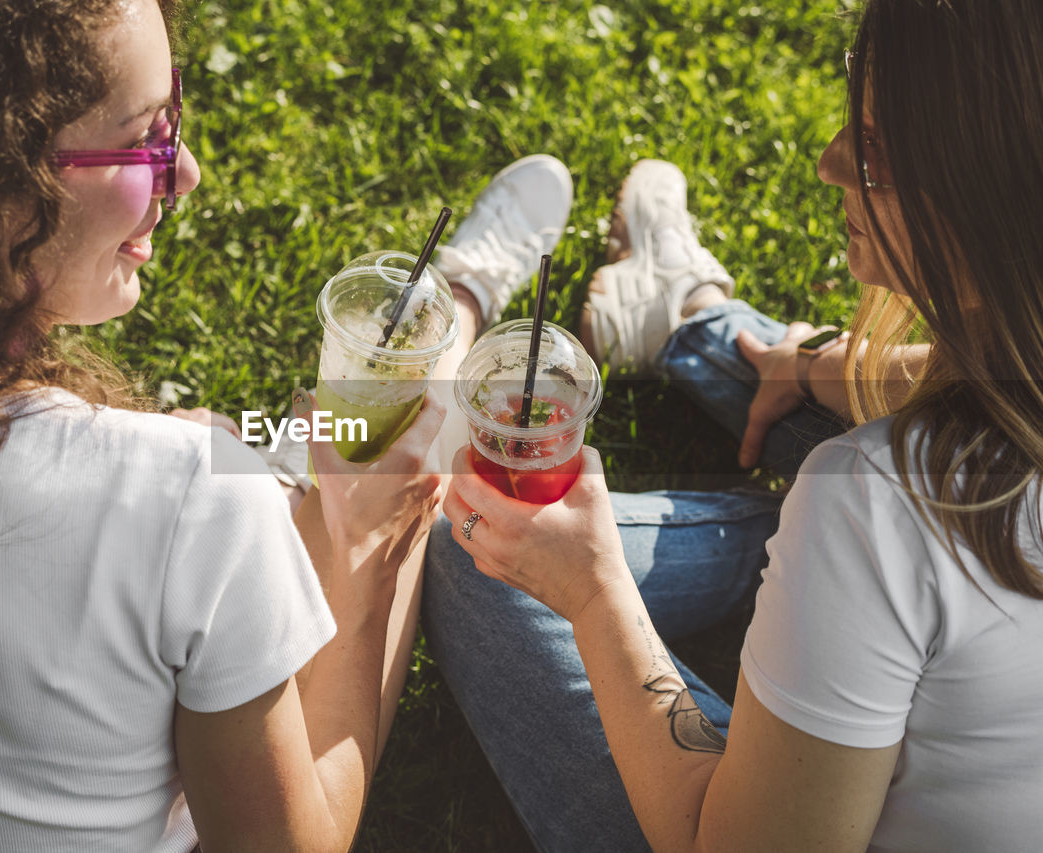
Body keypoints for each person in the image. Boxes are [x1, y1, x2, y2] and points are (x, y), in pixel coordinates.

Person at [0, 1, 445, 850]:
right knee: (384, 485)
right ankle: (455, 314)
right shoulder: (187, 496)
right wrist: (370, 556)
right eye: (144, 139)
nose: (184, 170)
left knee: (268, 475)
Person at [424, 0, 1043, 849]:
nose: (831, 165)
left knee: (475, 547)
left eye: (877, 152)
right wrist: (815, 363)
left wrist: (595, 586)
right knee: (812, 380)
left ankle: (494, 315)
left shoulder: (873, 505)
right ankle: (692, 314)